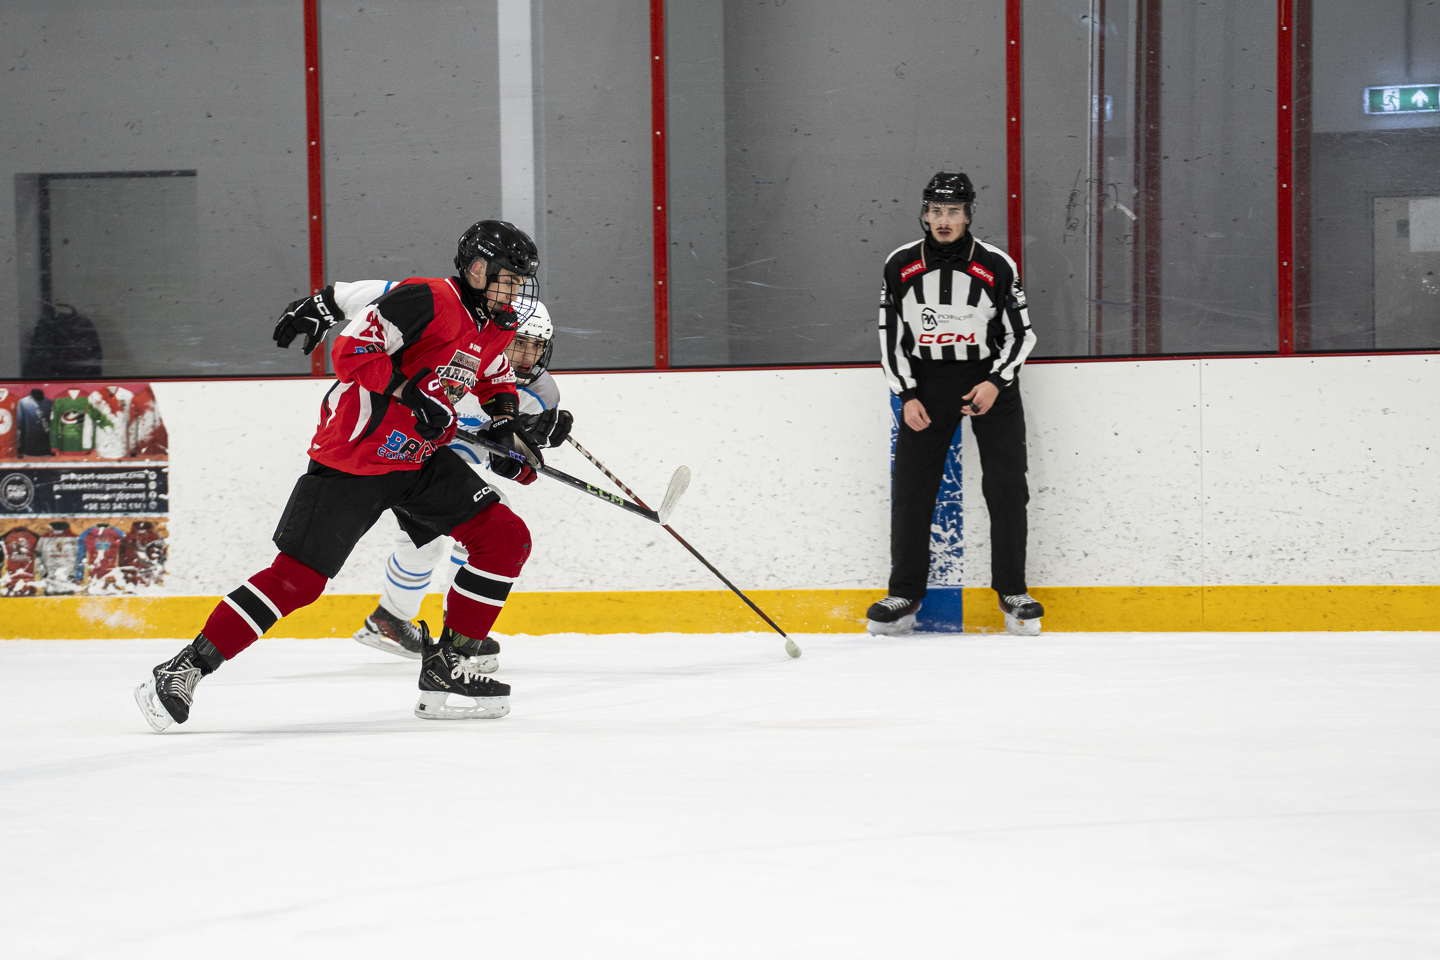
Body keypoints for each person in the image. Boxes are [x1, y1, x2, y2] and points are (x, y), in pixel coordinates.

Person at [134, 220, 545, 730]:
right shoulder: (428, 299)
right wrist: (411, 394)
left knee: (503, 537)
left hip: (417, 459)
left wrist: (505, 422)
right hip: (355, 457)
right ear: (478, 269)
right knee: (297, 581)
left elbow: (493, 375)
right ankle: (185, 667)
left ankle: (451, 664)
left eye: (521, 282)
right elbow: (350, 352)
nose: (516, 291)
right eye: (509, 279)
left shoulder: (497, 322)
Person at [349, 300, 572, 668]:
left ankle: (389, 621)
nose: (527, 355)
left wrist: (537, 438)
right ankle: (459, 632)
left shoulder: (542, 393)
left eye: (536, 346)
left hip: (452, 473)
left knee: (425, 545)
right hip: (411, 458)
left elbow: (505, 457)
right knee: (489, 524)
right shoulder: (461, 360)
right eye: (519, 342)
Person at [868, 173, 1043, 637]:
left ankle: (1013, 591)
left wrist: (996, 382)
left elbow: (1022, 335)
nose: (943, 220)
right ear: (924, 214)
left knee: (1007, 486)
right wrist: (907, 394)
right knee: (912, 489)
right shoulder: (900, 264)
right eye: (936, 211)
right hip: (926, 385)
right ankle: (904, 593)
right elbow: (890, 337)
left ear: (968, 216)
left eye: (953, 211)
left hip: (988, 380)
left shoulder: (996, 264)